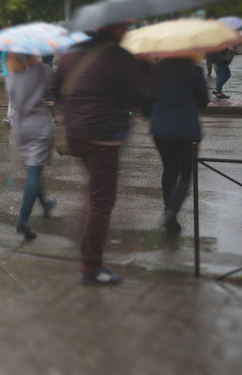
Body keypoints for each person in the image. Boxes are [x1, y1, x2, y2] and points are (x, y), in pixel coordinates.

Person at [52, 23, 147, 286]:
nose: (127, 29)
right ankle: (91, 268)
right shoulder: (118, 56)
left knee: (96, 193)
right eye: (125, 25)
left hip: (74, 133)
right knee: (102, 201)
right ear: (114, 27)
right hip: (101, 136)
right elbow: (137, 97)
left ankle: (89, 253)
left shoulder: (70, 53)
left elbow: (54, 89)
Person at [149, 54, 209, 233]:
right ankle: (170, 212)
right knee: (185, 173)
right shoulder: (194, 70)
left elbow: (149, 98)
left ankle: (169, 213)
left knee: (169, 169)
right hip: (185, 129)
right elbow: (203, 101)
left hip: (160, 129)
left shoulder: (156, 70)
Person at [5, 53, 56, 240]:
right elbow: (53, 94)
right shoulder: (43, 70)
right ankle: (23, 219)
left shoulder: (10, 76)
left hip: (20, 129)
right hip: (39, 127)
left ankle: (46, 203)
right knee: (34, 174)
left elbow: (13, 101)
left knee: (34, 169)